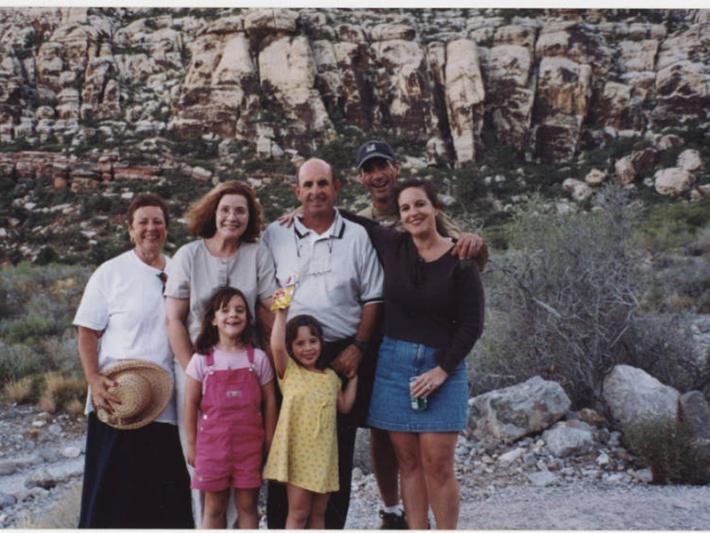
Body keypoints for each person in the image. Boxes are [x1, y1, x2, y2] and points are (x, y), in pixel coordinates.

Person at [355, 139, 488, 528]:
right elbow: (340, 218)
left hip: (438, 359)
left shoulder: (454, 250)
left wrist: (479, 246)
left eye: (420, 205)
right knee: (401, 456)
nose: (413, 212)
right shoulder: (387, 237)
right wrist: (302, 211)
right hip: (388, 353)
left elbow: (472, 317)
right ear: (362, 177)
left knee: (437, 464)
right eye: (406, 208)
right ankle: (395, 514)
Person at [261, 158, 384, 529]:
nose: (316, 191)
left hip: (340, 353)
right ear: (297, 191)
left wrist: (358, 348)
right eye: (308, 185)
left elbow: (374, 297)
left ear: (337, 187)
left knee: (336, 450)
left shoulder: (357, 236)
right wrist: (281, 346)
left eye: (323, 184)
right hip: (290, 357)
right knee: (288, 449)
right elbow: (264, 297)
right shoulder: (275, 234)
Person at [75, 193, 193, 528]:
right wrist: (93, 378)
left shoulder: (180, 271)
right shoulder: (110, 273)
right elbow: (87, 332)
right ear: (130, 229)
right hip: (119, 400)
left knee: (163, 504)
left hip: (168, 407)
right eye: (143, 222)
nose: (151, 228)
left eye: (158, 221)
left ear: (167, 229)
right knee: (111, 501)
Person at [165, 180, 277, 524]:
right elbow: (174, 320)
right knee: (206, 475)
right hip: (197, 372)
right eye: (225, 209)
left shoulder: (257, 254)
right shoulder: (189, 255)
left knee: (247, 473)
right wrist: (196, 371)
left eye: (240, 211)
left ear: (250, 217)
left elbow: (269, 312)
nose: (232, 216)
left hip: (247, 372)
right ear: (213, 212)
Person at [184, 286, 276, 528]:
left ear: (247, 318)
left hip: (249, 447)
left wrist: (269, 441)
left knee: (248, 507)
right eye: (225, 310)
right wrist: (192, 445)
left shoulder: (257, 359)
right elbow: (190, 404)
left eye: (240, 310)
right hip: (212, 449)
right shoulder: (201, 360)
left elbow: (270, 403)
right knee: (214, 509)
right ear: (213, 319)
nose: (233, 315)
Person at [264, 296, 358, 529]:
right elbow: (275, 345)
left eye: (312, 341)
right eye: (300, 343)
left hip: (324, 457)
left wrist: (354, 379)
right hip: (298, 456)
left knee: (319, 514)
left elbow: (344, 406)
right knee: (298, 513)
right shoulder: (290, 372)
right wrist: (281, 314)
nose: (307, 348)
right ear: (291, 348)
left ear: (321, 342)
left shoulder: (331, 377)